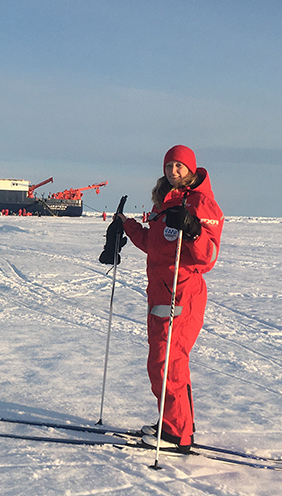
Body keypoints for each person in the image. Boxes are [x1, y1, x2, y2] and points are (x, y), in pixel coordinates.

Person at [114, 145, 224, 452]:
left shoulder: (203, 204)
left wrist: (192, 231)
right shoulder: (166, 201)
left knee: (170, 365)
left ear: (191, 168)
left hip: (183, 292)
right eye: (169, 166)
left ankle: (178, 434)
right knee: (158, 365)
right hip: (160, 293)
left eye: (179, 166)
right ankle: (172, 422)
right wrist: (127, 225)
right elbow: (155, 244)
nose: (173, 171)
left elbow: (208, 258)